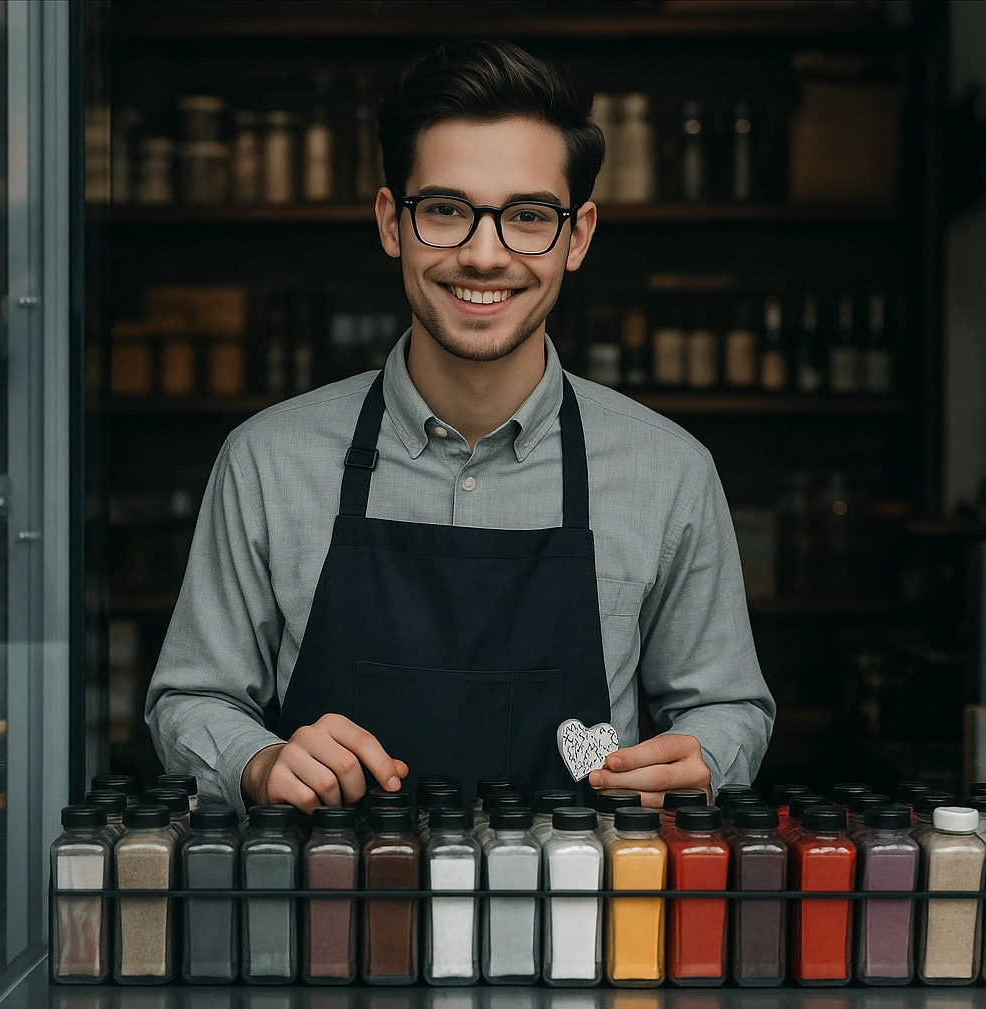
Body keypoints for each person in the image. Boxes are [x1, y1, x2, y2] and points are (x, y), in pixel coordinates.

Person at [145, 39, 774, 816]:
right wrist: (259, 761)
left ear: (576, 237)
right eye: (445, 210)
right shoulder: (266, 461)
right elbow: (188, 698)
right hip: (329, 918)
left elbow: (730, 706)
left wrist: (705, 757)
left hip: (578, 926)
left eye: (528, 217)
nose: (484, 254)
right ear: (390, 223)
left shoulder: (670, 471)